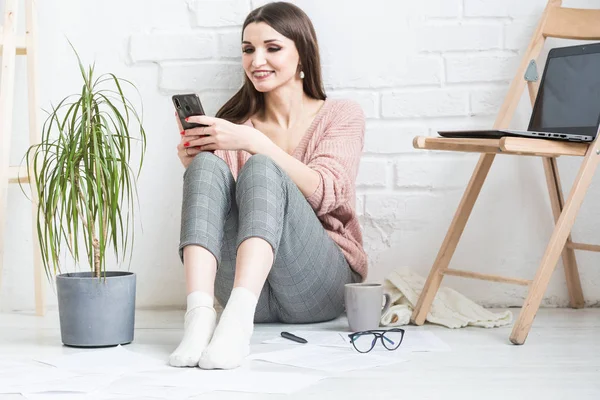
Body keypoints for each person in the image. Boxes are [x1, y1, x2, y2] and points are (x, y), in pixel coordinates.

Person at [170, 1, 367, 370]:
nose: (256, 60)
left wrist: (257, 143)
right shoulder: (234, 124)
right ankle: (198, 316)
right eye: (248, 49)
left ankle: (237, 323)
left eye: (272, 48)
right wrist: (198, 167)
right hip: (250, 290)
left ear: (302, 54)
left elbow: (328, 193)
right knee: (205, 169)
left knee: (262, 166)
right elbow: (219, 215)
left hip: (317, 286)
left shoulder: (341, 114)